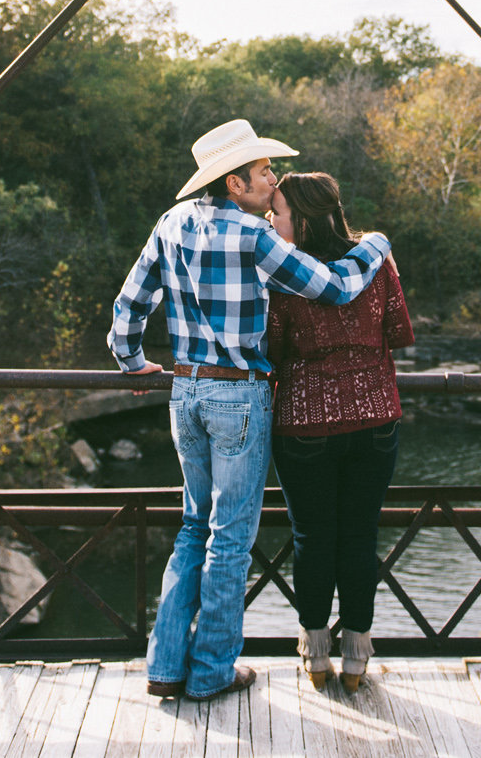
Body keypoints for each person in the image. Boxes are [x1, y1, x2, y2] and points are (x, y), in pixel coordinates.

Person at [110, 119, 392, 703]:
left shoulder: (171, 222)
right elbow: (336, 287)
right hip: (238, 393)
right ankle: (211, 671)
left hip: (184, 391)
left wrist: (132, 362)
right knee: (230, 537)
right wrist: (376, 246)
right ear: (235, 183)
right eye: (263, 172)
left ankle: (165, 664)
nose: (271, 180)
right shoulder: (253, 236)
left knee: (192, 526)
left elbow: (130, 304)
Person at [266, 171, 412, 693]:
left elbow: (273, 351)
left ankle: (314, 652)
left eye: (277, 213)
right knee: (359, 535)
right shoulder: (374, 265)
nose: (270, 221)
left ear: (302, 220)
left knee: (312, 537)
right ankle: (356, 657)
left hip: (304, 424)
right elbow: (399, 333)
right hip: (375, 419)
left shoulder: (284, 276)